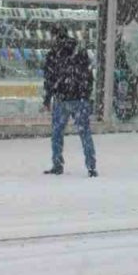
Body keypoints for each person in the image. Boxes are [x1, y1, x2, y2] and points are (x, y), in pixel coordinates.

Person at [42, 31, 98, 177]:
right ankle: (91, 166)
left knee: (57, 133)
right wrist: (85, 94)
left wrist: (48, 98)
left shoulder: (54, 55)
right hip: (80, 99)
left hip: (62, 99)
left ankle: (57, 164)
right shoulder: (81, 53)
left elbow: (49, 79)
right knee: (84, 132)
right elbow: (89, 76)